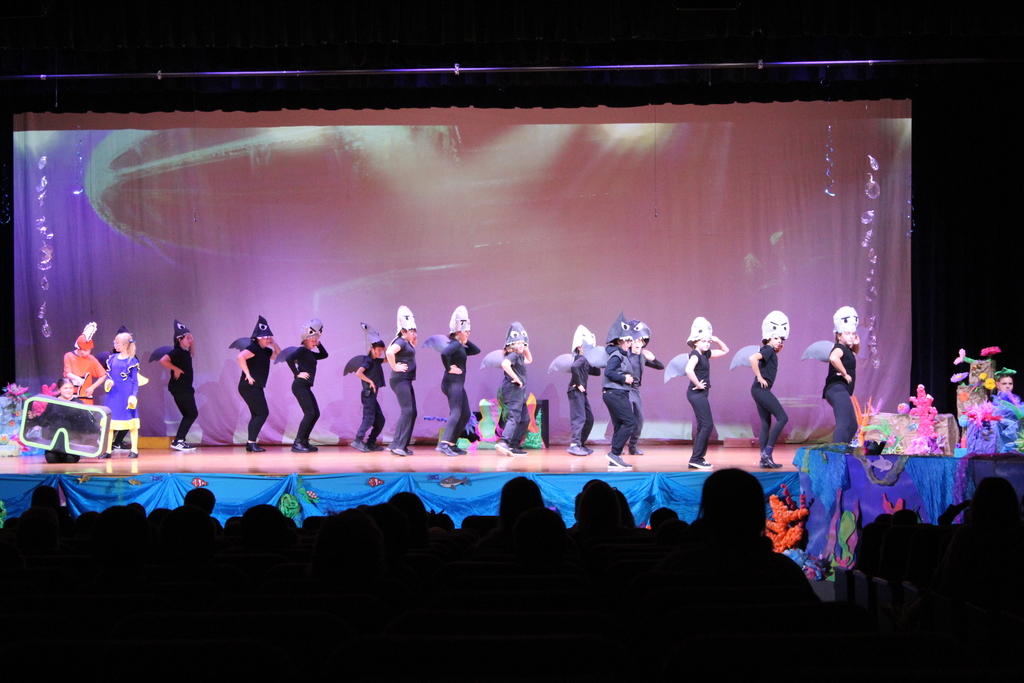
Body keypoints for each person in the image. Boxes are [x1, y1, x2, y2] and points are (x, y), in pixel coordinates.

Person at [684, 316, 728, 470]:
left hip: (701, 394)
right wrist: (697, 383)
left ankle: (696, 459)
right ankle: (697, 458)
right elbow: (688, 369)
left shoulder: (705, 354)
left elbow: (725, 351)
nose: (707, 344)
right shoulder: (695, 354)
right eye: (704, 341)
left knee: (703, 426)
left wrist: (715, 339)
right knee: (707, 425)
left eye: (708, 341)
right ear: (695, 341)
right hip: (696, 394)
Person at [437, 305, 480, 457]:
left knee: (466, 413)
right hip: (452, 382)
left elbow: (476, 350)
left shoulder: (459, 346)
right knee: (456, 412)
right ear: (458, 331)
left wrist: (465, 337)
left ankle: (452, 443)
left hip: (457, 383)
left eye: (469, 331)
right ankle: (444, 444)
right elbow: (444, 353)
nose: (469, 333)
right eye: (466, 330)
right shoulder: (454, 344)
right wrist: (449, 367)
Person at [748, 311, 790, 469]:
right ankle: (767, 452)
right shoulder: (767, 349)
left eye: (781, 338)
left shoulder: (770, 351)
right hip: (761, 390)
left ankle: (764, 459)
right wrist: (759, 376)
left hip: (757, 390)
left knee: (766, 423)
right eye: (776, 338)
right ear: (768, 337)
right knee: (782, 418)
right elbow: (752, 358)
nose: (779, 341)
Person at [237, 315, 281, 452]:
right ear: (258, 337)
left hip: (256, 386)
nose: (268, 339)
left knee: (257, 414)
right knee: (262, 413)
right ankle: (251, 442)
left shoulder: (266, 351)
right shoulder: (254, 348)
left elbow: (278, 355)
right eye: (266, 337)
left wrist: (274, 344)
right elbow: (240, 357)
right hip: (249, 386)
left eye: (269, 337)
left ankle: (250, 443)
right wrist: (248, 375)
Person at [286, 318, 328, 453]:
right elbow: (289, 358)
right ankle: (297, 443)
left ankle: (304, 441)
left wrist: (318, 342)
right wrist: (297, 373)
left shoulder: (310, 353)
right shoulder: (302, 350)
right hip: (299, 385)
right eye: (312, 339)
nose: (315, 342)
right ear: (305, 339)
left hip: (305, 386)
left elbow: (324, 355)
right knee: (310, 413)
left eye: (316, 339)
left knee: (315, 413)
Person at [602, 312, 636, 470]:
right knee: (629, 422)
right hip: (615, 392)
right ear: (620, 340)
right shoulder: (616, 355)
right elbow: (608, 372)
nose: (630, 343)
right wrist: (624, 379)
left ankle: (614, 460)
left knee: (620, 424)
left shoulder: (621, 354)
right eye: (628, 340)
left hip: (614, 393)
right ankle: (614, 453)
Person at [627, 320, 664, 456]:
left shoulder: (643, 357)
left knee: (638, 420)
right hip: (625, 390)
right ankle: (617, 447)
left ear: (643, 343)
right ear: (630, 342)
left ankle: (633, 446)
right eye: (635, 340)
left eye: (641, 340)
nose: (638, 343)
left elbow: (660, 366)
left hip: (635, 390)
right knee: (626, 420)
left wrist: (653, 358)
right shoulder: (625, 355)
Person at [495, 322, 533, 458]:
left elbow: (530, 360)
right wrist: (516, 378)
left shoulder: (520, 357)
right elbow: (505, 364)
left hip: (519, 392)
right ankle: (504, 441)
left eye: (523, 343)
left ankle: (514, 444)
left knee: (524, 419)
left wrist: (525, 346)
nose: (521, 346)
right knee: (515, 416)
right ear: (511, 345)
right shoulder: (513, 355)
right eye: (518, 343)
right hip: (513, 390)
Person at [823, 306, 860, 445]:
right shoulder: (839, 348)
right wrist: (845, 374)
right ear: (839, 335)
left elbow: (855, 351)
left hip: (842, 390)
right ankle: (836, 455)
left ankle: (843, 451)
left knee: (853, 426)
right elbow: (833, 358)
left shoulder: (848, 349)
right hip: (836, 389)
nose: (851, 336)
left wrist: (855, 340)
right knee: (844, 423)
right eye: (847, 333)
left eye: (853, 333)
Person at [159, 320, 198, 451]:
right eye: (187, 338)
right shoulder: (176, 351)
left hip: (183, 387)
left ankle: (179, 440)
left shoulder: (185, 353)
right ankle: (178, 440)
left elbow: (192, 354)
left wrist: (192, 341)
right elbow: (163, 360)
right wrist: (175, 368)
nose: (189, 340)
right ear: (180, 339)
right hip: (181, 388)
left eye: (190, 338)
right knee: (191, 413)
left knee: (189, 414)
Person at [104, 330, 141, 458]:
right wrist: (108, 382)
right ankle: (108, 450)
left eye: (117, 343)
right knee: (110, 424)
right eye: (114, 342)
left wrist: (133, 395)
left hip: (126, 394)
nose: (115, 344)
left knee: (131, 423)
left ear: (125, 345)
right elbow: (108, 375)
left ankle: (134, 450)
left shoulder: (131, 361)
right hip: (114, 394)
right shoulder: (112, 359)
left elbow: (135, 382)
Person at [387, 306, 418, 456]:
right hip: (400, 379)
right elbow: (389, 352)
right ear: (403, 331)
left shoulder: (406, 343)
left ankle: (399, 444)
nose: (414, 333)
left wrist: (413, 342)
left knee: (413, 412)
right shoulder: (400, 341)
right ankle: (399, 445)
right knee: (408, 411)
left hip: (405, 380)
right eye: (411, 331)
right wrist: (395, 367)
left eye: (414, 330)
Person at [352, 323, 387, 453]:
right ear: (371, 349)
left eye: (380, 351)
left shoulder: (376, 361)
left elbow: (389, 359)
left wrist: (385, 350)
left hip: (372, 395)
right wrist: (370, 381)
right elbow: (359, 373)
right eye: (377, 350)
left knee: (380, 420)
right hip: (368, 394)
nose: (379, 353)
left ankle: (371, 442)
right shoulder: (368, 360)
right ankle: (358, 440)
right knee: (369, 418)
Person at [567, 324, 600, 456]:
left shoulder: (585, 360)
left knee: (589, 419)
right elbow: (574, 367)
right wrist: (578, 383)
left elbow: (596, 372)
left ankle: (580, 443)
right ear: (580, 347)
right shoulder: (580, 358)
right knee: (579, 418)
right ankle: (574, 444)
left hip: (581, 393)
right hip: (575, 391)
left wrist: (595, 359)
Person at [62, 322, 107, 404]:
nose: (88, 352)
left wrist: (92, 388)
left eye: (89, 350)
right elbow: (67, 373)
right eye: (85, 350)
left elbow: (103, 375)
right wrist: (77, 378)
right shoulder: (68, 356)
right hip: (70, 396)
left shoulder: (91, 359)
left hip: (85, 398)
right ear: (79, 348)